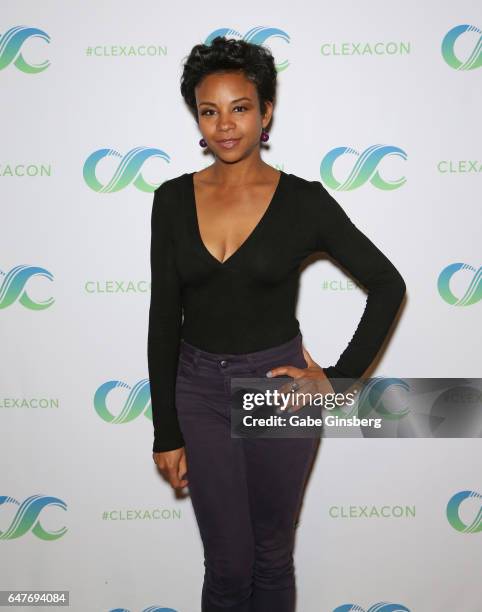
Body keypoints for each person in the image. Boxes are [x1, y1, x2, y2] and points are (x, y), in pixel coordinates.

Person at [148, 36, 406, 612]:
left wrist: (340, 383)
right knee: (228, 564)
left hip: (277, 389)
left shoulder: (304, 203)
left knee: (270, 554)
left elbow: (388, 285)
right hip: (199, 390)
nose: (225, 125)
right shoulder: (169, 200)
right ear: (197, 117)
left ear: (266, 113)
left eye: (239, 107)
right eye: (209, 111)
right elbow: (163, 317)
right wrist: (166, 430)